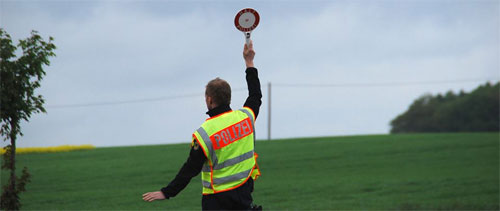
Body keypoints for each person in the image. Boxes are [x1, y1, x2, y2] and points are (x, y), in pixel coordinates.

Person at [142, 40, 262, 210]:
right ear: (228, 98)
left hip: (217, 201)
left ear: (209, 99)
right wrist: (249, 62)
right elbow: (255, 95)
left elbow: (191, 168)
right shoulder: (246, 117)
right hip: (243, 196)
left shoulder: (205, 133)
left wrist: (167, 192)